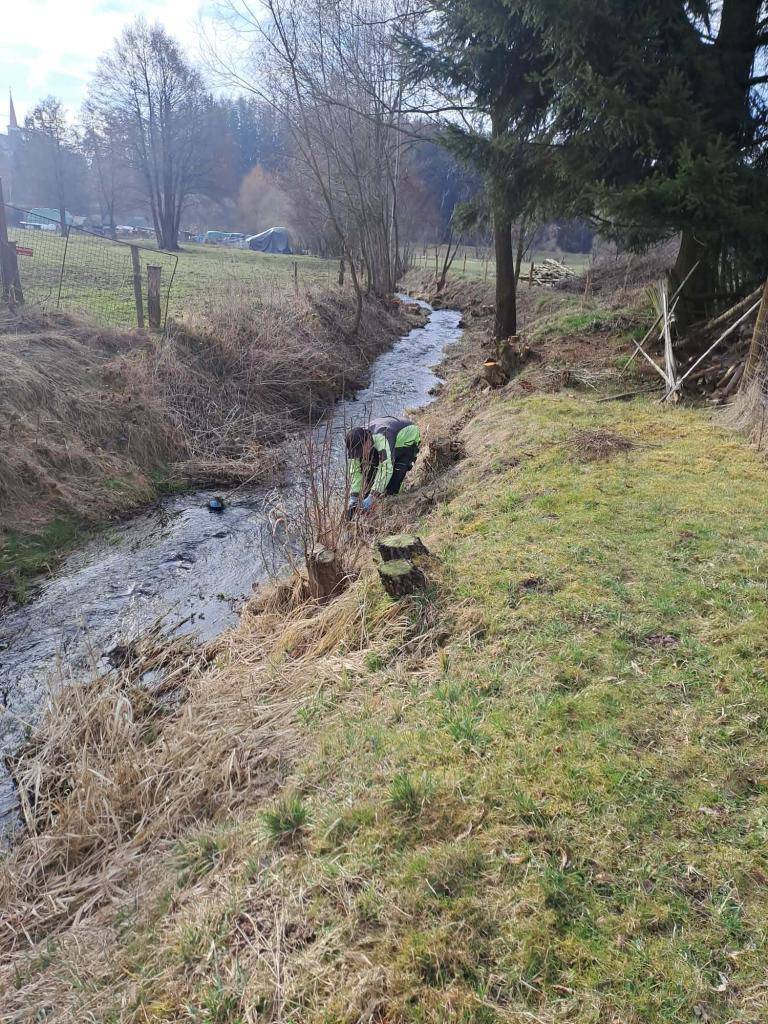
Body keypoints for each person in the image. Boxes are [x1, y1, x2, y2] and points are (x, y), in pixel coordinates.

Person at [346, 416, 421, 515]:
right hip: (385, 441)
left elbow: (385, 469)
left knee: (392, 486)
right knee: (369, 481)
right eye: (357, 453)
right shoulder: (355, 442)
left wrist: (372, 497)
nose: (359, 455)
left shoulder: (382, 438)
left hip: (406, 440)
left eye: (361, 451)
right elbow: (355, 472)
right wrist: (353, 498)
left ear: (368, 442)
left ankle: (391, 511)